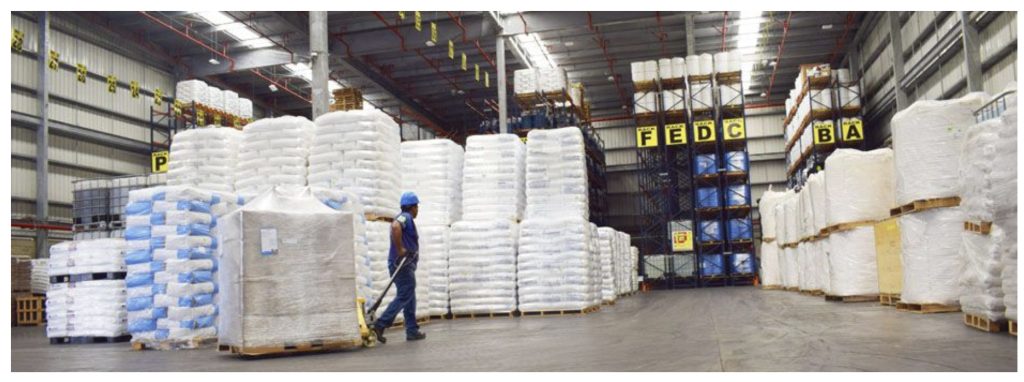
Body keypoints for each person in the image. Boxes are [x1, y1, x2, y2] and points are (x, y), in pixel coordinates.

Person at [372, 192, 427, 343]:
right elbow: (395, 226)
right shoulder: (405, 217)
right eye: (417, 207)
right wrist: (401, 249)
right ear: (413, 207)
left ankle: (412, 330)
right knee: (404, 295)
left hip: (404, 265)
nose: (417, 210)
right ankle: (381, 324)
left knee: (409, 296)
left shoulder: (407, 218)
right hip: (401, 265)